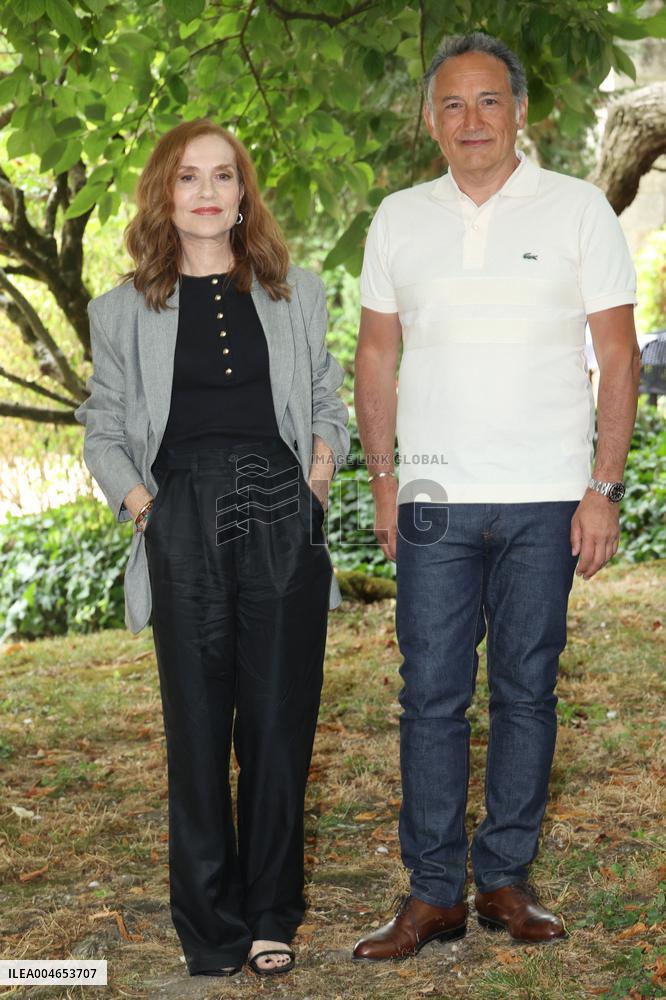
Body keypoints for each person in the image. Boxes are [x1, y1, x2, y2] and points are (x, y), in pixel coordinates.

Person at [352, 32, 639, 960]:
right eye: (451, 104)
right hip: (433, 494)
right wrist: (386, 482)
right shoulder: (398, 217)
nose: (471, 120)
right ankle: (433, 891)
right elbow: (377, 356)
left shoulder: (580, 210)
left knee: (527, 689)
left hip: (547, 497)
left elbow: (620, 355)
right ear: (428, 119)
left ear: (519, 112)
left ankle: (505, 879)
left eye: (488, 102)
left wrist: (601, 487)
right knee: (430, 695)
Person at [74, 118, 349, 978]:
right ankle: (211, 926)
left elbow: (326, 403)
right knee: (196, 729)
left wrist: (317, 475)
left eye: (222, 177)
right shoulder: (121, 309)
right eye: (187, 177)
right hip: (179, 515)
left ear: (242, 194)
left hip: (279, 511)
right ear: (164, 193)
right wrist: (145, 505)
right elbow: (103, 428)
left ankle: (271, 910)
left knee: (278, 723)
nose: (205, 192)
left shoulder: (293, 291)